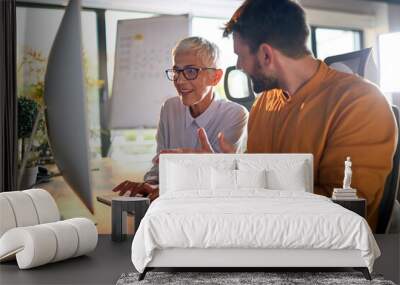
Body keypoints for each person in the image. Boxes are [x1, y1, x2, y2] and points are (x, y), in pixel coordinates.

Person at [179, 0, 398, 231]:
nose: (239, 66)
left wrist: (242, 182)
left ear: (265, 55)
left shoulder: (360, 103)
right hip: (266, 237)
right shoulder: (264, 103)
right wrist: (227, 170)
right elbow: (259, 178)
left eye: (240, 55)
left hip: (327, 256)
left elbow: (342, 213)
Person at [112, 36, 248, 201]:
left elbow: (215, 180)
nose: (180, 81)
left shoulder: (235, 115)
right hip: (170, 205)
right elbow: (160, 165)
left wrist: (167, 189)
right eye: (176, 71)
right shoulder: (170, 108)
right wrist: (149, 185)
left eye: (191, 71)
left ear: (216, 77)